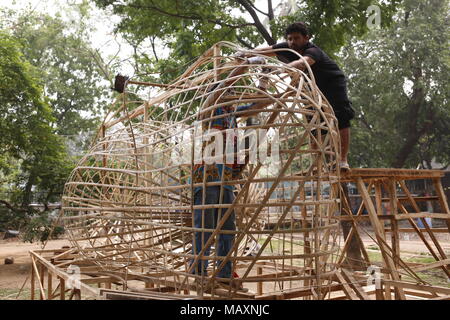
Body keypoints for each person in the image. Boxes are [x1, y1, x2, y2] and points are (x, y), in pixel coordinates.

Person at [190, 57, 271, 291]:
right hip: (205, 177)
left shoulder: (232, 114)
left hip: (226, 178)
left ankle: (224, 273)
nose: (233, 93)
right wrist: (242, 66)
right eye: (229, 89)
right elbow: (221, 89)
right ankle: (199, 274)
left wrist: (264, 77)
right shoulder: (209, 109)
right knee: (204, 227)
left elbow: (259, 103)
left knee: (228, 227)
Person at [255, 22, 355, 171]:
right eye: (289, 38)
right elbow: (265, 50)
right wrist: (245, 54)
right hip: (310, 88)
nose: (292, 42)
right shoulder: (287, 47)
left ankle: (343, 160)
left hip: (332, 84)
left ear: (306, 38)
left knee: (341, 118)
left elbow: (302, 63)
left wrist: (279, 68)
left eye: (296, 38)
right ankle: (317, 163)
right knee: (313, 123)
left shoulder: (313, 51)